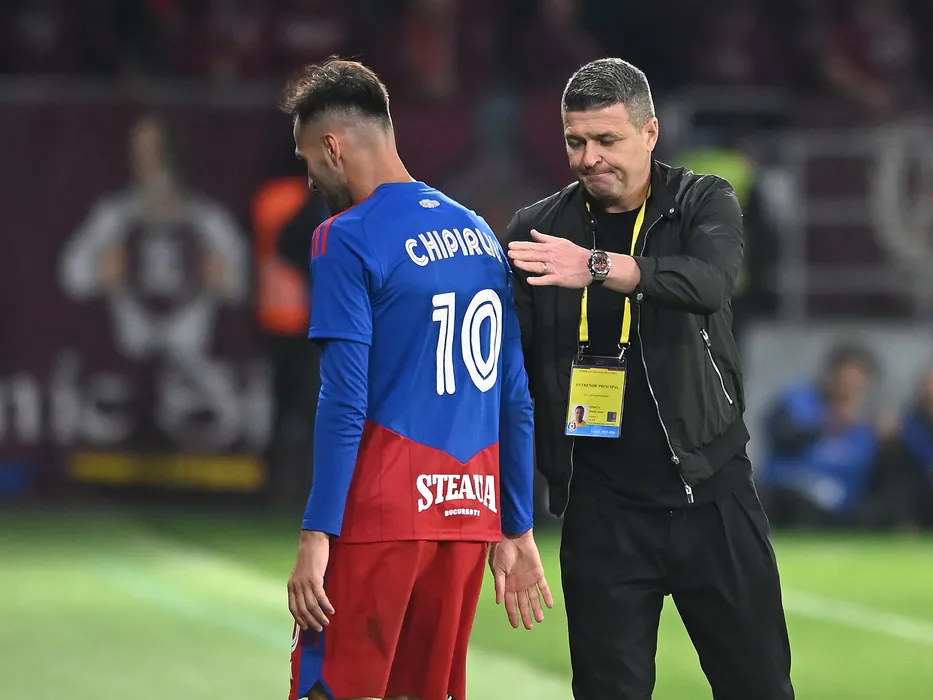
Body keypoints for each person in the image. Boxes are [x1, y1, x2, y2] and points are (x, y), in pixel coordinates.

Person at [504, 57, 795, 700]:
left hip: (710, 495)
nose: (589, 159)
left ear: (651, 133)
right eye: (575, 141)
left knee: (760, 687)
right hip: (602, 511)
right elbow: (511, 380)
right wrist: (512, 517)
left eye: (607, 140)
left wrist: (598, 266)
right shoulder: (537, 232)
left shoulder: (702, 200)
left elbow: (711, 283)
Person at [280, 58, 552, 700]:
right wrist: (516, 524)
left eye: (308, 160)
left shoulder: (345, 237)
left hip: (382, 516)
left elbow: (344, 398)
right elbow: (514, 396)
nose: (311, 179)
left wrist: (317, 531)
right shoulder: (478, 233)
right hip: (468, 512)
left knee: (332, 689)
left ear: (332, 147)